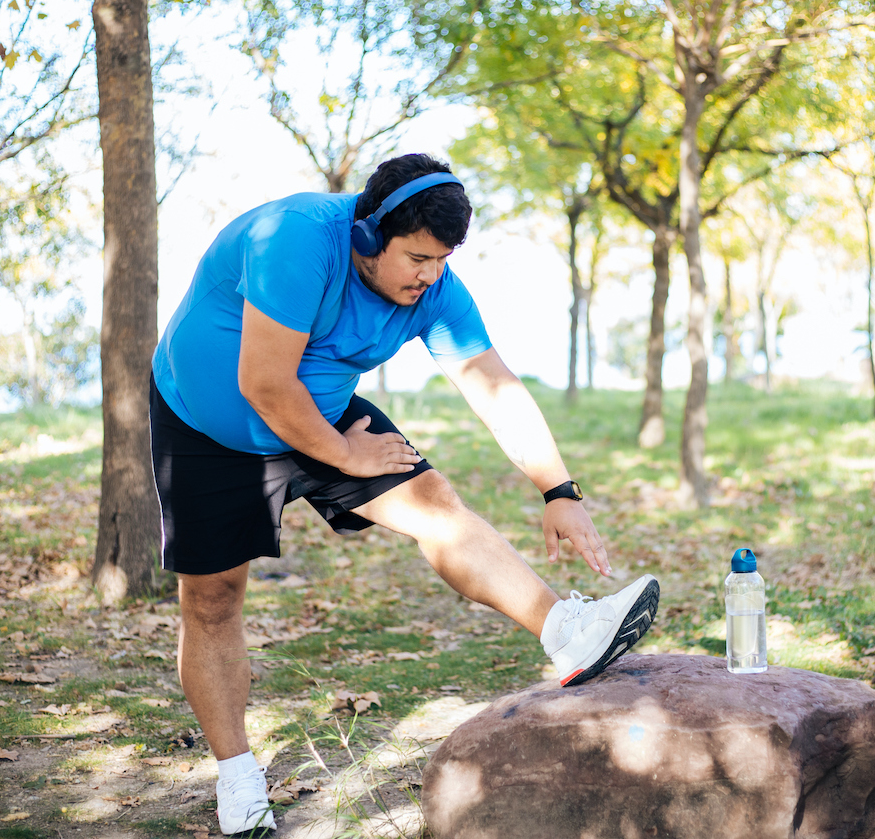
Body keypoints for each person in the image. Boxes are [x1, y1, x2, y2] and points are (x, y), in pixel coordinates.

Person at [149, 153, 660, 835]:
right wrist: (342, 452)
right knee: (213, 600)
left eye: (442, 259)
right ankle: (239, 780)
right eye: (418, 256)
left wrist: (557, 488)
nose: (430, 274)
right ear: (367, 236)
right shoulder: (294, 241)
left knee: (436, 506)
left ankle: (567, 630)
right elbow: (265, 383)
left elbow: (493, 384)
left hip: (322, 414)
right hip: (209, 426)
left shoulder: (434, 289)